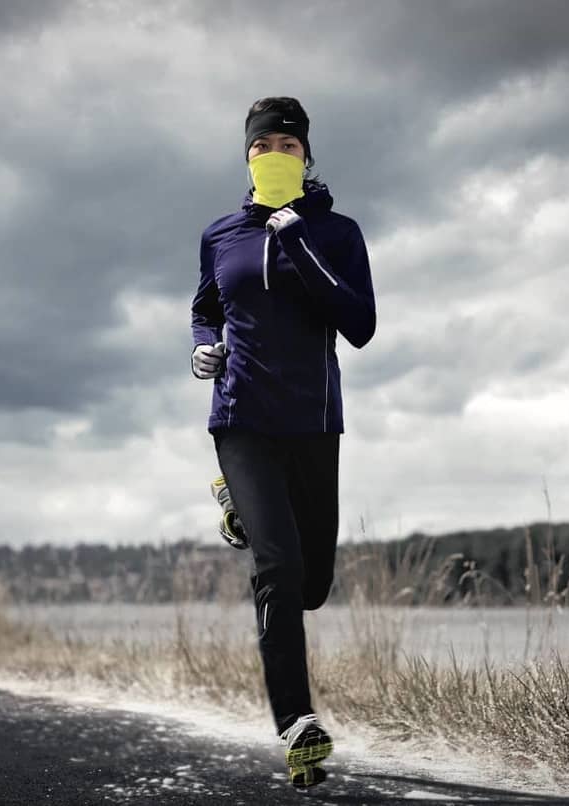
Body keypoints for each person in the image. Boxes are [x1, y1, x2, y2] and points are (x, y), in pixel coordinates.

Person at [190, 96, 376, 788]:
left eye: (287, 146)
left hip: (313, 422)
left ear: (306, 156)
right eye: (261, 146)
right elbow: (204, 308)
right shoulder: (220, 235)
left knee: (312, 585)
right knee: (278, 568)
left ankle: (237, 505)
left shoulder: (338, 233)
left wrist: (295, 237)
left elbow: (360, 324)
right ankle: (297, 724)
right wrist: (203, 347)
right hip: (241, 418)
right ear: (247, 157)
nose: (274, 155)